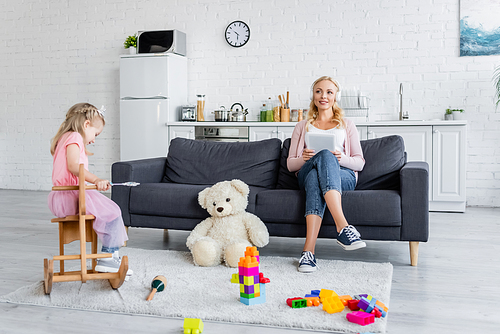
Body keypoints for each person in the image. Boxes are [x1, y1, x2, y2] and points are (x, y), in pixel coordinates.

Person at [287, 76, 366, 273]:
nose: (324, 96)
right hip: (306, 172)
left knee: (317, 175)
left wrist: (341, 158)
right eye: (319, 91)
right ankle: (343, 227)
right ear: (313, 95)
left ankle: (308, 253)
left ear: (335, 97)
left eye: (329, 92)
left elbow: (360, 162)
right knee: (320, 160)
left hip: (343, 175)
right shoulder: (302, 126)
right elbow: (290, 165)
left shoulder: (347, 124)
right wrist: (304, 158)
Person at [48, 103, 131, 275]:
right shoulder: (75, 137)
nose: (93, 140)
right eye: (96, 134)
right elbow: (73, 166)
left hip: (60, 197)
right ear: (86, 125)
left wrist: (94, 184)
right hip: (73, 196)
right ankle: (108, 257)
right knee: (113, 211)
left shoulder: (64, 138)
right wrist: (96, 180)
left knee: (108, 210)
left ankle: (110, 256)